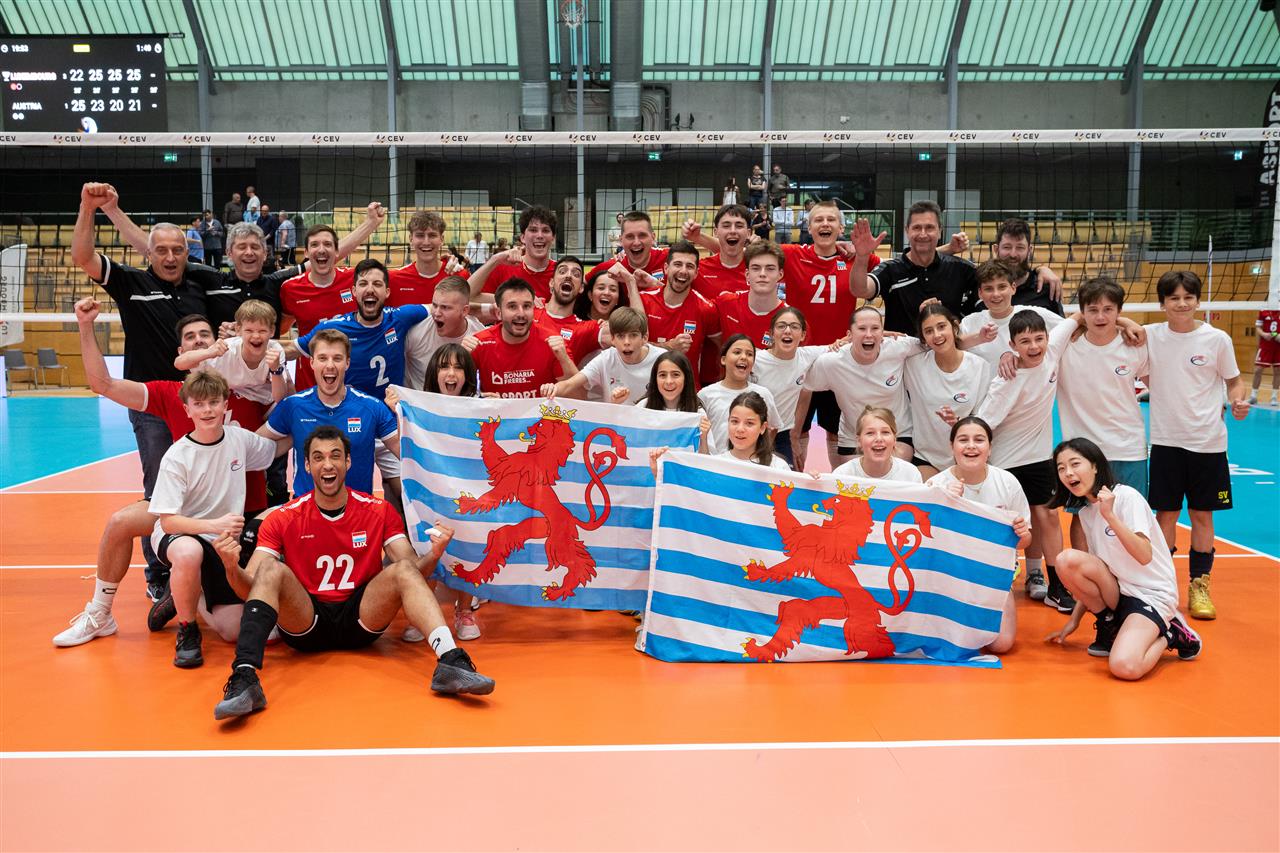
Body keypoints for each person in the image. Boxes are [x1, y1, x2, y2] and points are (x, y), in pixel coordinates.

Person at [212, 425, 495, 720]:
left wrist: (434, 555)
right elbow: (250, 589)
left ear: (348, 462)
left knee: (403, 569)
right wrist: (231, 567)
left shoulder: (379, 510)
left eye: (335, 456)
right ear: (306, 465)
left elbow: (414, 572)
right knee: (269, 569)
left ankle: (450, 660)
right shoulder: (282, 518)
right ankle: (245, 676)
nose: (328, 464)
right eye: (318, 457)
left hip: (361, 618)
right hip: (306, 620)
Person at [53, 300, 272, 647]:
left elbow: (285, 415)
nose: (199, 341)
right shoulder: (170, 393)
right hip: (187, 510)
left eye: (205, 335)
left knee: (241, 626)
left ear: (219, 342)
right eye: (190, 337)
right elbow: (103, 384)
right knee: (120, 522)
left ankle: (188, 592)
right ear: (181, 352)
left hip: (239, 511)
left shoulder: (247, 388)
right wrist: (84, 326)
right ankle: (100, 613)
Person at [71, 182, 220, 600]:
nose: (170, 257)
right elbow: (83, 257)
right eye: (161, 250)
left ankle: (202, 566)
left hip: (199, 402)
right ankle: (158, 573)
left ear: (187, 252)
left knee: (204, 484)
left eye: (177, 250)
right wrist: (89, 208)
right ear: (148, 254)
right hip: (150, 402)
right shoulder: (130, 281)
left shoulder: (201, 284)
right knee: (159, 489)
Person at [147, 370, 279, 668]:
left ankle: (187, 592)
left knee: (233, 631)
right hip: (181, 534)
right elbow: (168, 521)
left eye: (213, 403)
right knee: (189, 553)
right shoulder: (177, 456)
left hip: (219, 543)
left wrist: (308, 428)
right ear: (187, 409)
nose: (207, 410)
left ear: (225, 405)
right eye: (199, 404)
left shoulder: (239, 440)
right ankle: (187, 630)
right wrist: (214, 525)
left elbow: (274, 449)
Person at [1047, 437, 1203, 678]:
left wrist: (1110, 516)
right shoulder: (1087, 512)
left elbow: (1144, 555)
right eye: (1061, 468)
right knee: (1066, 560)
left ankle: (1173, 632)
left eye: (1075, 464)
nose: (1068, 473)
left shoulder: (1127, 497)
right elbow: (1096, 570)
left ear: (1095, 466)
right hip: (1119, 592)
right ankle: (1109, 624)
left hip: (1151, 594)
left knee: (1125, 667)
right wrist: (1074, 621)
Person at [1144, 270, 1250, 620]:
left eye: (1188, 297)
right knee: (1166, 515)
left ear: (1198, 301)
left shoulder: (1217, 339)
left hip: (1208, 443)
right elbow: (1121, 329)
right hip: (1166, 441)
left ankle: (1199, 586)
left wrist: (1237, 400)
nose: (1182, 304)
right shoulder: (1150, 336)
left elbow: (1234, 381)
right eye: (1174, 298)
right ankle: (1162, 586)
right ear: (1162, 303)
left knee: (1202, 515)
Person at [976, 309, 1077, 611]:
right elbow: (983, 424)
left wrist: (1126, 322)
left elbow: (1078, 317)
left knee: (1047, 517)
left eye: (1038, 339)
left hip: (1039, 458)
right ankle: (998, 576)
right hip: (1005, 462)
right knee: (1008, 522)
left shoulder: (1052, 351)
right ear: (1012, 345)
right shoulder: (1006, 381)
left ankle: (1052, 583)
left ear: (1047, 338)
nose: (1034, 346)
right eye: (1024, 342)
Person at [1056, 277, 1151, 555]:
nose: (1100, 317)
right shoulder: (1066, 346)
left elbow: (1157, 385)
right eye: (1093, 310)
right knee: (1082, 514)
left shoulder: (1134, 345)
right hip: (1083, 451)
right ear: (1082, 312)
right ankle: (1085, 573)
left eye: (1108, 310)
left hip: (1128, 447)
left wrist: (1127, 325)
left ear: (1119, 312)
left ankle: (1127, 575)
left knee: (1131, 516)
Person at [926, 416, 1032, 654]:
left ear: (990, 447)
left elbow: (1025, 542)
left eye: (979, 440)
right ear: (952, 446)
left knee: (1001, 644)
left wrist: (1022, 533)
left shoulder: (1007, 482)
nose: (971, 446)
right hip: (948, 578)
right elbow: (925, 544)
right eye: (963, 440)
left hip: (993, 577)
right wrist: (945, 502)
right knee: (944, 638)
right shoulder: (936, 485)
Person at [262, 329, 400, 498]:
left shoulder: (372, 407)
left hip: (359, 511)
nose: (330, 365)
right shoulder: (293, 406)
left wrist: (400, 415)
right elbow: (254, 444)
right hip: (306, 510)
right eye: (322, 358)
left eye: (337, 358)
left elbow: (406, 452)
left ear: (347, 363)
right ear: (312, 362)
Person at [795, 305, 923, 463]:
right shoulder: (832, 362)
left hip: (898, 433)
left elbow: (931, 343)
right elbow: (805, 386)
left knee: (885, 466)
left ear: (883, 332)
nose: (869, 334)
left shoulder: (898, 346)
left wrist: (926, 312)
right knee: (855, 477)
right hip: (853, 438)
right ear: (849, 335)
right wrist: (794, 434)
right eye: (862, 329)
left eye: (875, 328)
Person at [281, 207, 388, 390]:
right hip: (310, 383)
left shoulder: (356, 280)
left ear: (337, 251)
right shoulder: (290, 289)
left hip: (353, 380)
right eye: (315, 245)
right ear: (306, 253)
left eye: (327, 244)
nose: (321, 250)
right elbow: (283, 328)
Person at [858, 200, 978, 335]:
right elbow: (861, 290)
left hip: (947, 346)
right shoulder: (891, 269)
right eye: (916, 228)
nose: (923, 234)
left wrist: (964, 317)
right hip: (902, 347)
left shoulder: (959, 268)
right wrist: (862, 257)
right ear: (907, 231)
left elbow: (992, 278)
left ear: (940, 231)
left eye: (929, 228)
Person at [904, 302, 992, 479]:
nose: (937, 335)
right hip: (926, 457)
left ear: (954, 327)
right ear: (923, 338)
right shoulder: (912, 365)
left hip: (966, 456)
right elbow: (882, 349)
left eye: (941, 326)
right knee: (930, 496)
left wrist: (958, 422)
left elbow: (981, 418)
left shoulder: (979, 366)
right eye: (929, 331)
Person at [625, 240, 720, 384]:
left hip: (688, 391)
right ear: (666, 268)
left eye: (689, 266)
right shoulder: (643, 300)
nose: (683, 271)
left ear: (696, 273)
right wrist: (669, 347)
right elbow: (630, 346)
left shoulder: (706, 308)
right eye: (677, 264)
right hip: (646, 387)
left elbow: (723, 346)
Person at [465, 278, 577, 398]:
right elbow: (456, 397)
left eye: (527, 306)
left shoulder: (552, 342)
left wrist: (564, 359)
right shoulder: (479, 343)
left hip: (540, 411)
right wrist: (480, 398)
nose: (521, 314)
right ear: (498, 313)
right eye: (512, 307)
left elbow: (580, 397)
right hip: (495, 411)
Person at [176, 299, 289, 407]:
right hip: (230, 401)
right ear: (238, 330)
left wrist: (275, 370)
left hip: (265, 402)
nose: (256, 336)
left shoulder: (275, 350)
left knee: (290, 393)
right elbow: (179, 363)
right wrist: (209, 352)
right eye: (249, 330)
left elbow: (280, 398)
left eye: (262, 331)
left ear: (272, 331)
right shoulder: (225, 349)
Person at [753, 307, 826, 468]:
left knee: (786, 480)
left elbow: (842, 346)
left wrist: (879, 334)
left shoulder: (807, 356)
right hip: (753, 432)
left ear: (803, 335)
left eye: (794, 327)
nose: (787, 331)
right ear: (771, 333)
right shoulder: (756, 360)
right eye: (781, 326)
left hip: (783, 434)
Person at [960, 259, 1065, 369]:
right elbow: (954, 348)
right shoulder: (969, 323)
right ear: (980, 293)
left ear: (1013, 288)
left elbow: (1072, 328)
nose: (996, 294)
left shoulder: (1036, 314)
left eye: (1002, 287)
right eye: (988, 289)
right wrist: (979, 338)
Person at [546, 307, 660, 404]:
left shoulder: (661, 359)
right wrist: (552, 389)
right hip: (615, 421)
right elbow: (569, 384)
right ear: (612, 339)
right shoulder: (606, 358)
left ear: (644, 338)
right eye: (620, 336)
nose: (626, 342)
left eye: (633, 335)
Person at [697, 334, 782, 455]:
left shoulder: (764, 394)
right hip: (714, 462)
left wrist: (760, 454)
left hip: (748, 463)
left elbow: (773, 427)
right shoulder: (705, 395)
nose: (743, 357)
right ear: (723, 359)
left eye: (749, 354)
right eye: (737, 352)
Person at [404, 275, 487, 389]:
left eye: (445, 307)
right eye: (434, 305)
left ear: (464, 311)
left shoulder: (480, 335)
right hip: (418, 399)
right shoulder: (416, 332)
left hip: (460, 399)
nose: (436, 313)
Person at [468, 206, 559, 301]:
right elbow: (468, 297)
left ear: (553, 238)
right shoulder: (502, 268)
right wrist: (495, 259)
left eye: (545, 230)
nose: (539, 235)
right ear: (522, 238)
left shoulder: (561, 273)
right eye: (533, 230)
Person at [533, 255, 606, 364]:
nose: (569, 276)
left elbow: (629, 335)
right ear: (551, 283)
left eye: (576, 274)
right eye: (562, 272)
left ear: (581, 288)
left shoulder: (586, 329)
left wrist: (630, 281)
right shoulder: (529, 311)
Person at [715, 240, 786, 349]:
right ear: (747, 274)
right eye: (756, 268)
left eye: (770, 269)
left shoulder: (790, 319)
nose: (762, 274)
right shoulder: (725, 303)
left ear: (780, 274)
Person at [388, 211, 469, 306]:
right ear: (411, 239)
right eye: (420, 235)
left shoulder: (460, 276)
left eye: (432, 235)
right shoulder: (393, 279)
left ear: (442, 239)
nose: (426, 242)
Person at [636, 350, 711, 451]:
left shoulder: (698, 413)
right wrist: (616, 404)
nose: (669, 381)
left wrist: (703, 438)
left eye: (675, 375)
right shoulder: (642, 407)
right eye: (662, 375)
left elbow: (705, 459)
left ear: (686, 378)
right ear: (655, 379)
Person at [991, 218, 1063, 314]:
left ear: (1029, 250)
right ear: (996, 249)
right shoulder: (984, 286)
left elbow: (1061, 323)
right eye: (1007, 247)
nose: (1013, 254)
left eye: (1020, 247)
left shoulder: (1046, 289)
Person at [832, 407, 922, 483]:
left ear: (894, 439)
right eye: (870, 433)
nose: (879, 438)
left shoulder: (911, 474)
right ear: (859, 441)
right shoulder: (842, 475)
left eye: (885, 432)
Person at [682, 203, 752, 300]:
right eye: (726, 226)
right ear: (716, 232)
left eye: (739, 226)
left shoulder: (760, 270)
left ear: (748, 233)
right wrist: (697, 237)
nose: (732, 231)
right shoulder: (699, 270)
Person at [587, 211, 670, 289]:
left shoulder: (669, 258)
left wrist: (654, 283)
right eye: (630, 236)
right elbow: (581, 286)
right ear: (621, 240)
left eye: (642, 235)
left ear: (653, 237)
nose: (636, 243)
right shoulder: (610, 268)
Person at [1249, 307, 1279, 406]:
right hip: (1265, 346)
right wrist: (1264, 334)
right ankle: (1253, 396)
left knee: (1278, 371)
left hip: (1278, 346)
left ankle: (1274, 397)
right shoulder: (1264, 310)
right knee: (1258, 370)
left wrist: (1277, 335)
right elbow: (1258, 327)